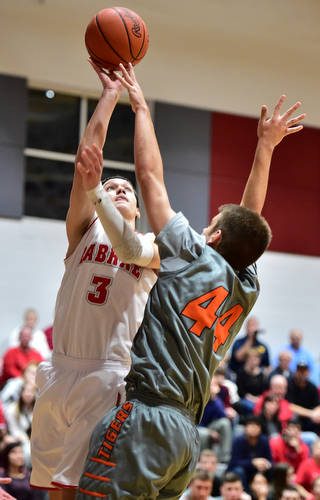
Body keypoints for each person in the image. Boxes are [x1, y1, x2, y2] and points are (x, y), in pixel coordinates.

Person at [76, 63, 305, 500]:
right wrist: (266, 147)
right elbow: (248, 221)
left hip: (145, 417)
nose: (204, 227)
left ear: (213, 237)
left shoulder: (191, 255)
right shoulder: (246, 286)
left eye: (210, 224)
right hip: (184, 437)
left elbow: (150, 180)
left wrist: (140, 104)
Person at [30, 59, 160, 500]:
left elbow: (122, 194)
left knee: (76, 488)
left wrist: (99, 188)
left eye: (128, 189)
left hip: (107, 373)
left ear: (138, 210)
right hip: (58, 367)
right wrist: (108, 97)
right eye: (113, 184)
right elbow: (86, 162)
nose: (120, 188)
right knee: (49, 485)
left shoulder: (152, 248)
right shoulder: (84, 230)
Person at [227, 415, 272, 492]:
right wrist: (253, 462)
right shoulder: (238, 441)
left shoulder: (264, 441)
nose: (254, 427)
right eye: (251, 425)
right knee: (239, 470)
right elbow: (234, 462)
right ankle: (245, 493)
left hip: (258, 472)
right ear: (245, 428)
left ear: (260, 428)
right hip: (243, 472)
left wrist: (266, 464)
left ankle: (269, 494)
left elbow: (270, 461)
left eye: (257, 425)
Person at [198, 375, 233, 463]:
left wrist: (214, 397)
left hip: (208, 426)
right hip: (195, 427)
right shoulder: (197, 399)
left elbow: (222, 416)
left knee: (225, 423)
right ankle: (202, 460)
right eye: (211, 384)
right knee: (205, 434)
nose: (213, 387)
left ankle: (224, 458)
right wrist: (210, 431)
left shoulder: (215, 400)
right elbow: (194, 421)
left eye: (215, 385)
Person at [4, 382, 37, 470]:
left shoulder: (37, 408)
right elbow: (14, 430)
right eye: (25, 391)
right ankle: (26, 474)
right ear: (21, 393)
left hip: (33, 438)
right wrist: (27, 440)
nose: (28, 394)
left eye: (31, 391)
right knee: (27, 450)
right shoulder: (12, 409)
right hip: (19, 438)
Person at [286, 362, 320, 435]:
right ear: (295, 372)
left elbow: (317, 405)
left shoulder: (312, 386)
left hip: (310, 418)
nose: (302, 373)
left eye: (304, 371)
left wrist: (317, 413)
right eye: (300, 371)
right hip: (295, 417)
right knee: (293, 416)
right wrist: (311, 414)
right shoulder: (289, 385)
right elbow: (290, 406)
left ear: (308, 372)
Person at [236, 348, 269, 416]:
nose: (254, 362)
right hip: (245, 398)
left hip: (259, 399)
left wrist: (259, 399)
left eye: (256, 359)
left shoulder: (262, 374)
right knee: (252, 407)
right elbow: (240, 391)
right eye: (251, 359)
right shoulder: (241, 372)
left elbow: (265, 390)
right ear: (246, 360)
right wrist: (251, 398)